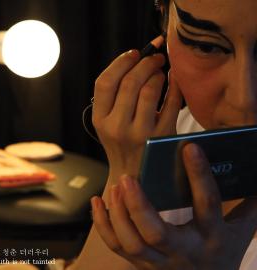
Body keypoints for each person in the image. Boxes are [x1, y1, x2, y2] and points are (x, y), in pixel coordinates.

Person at [70, 0, 257, 269]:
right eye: (206, 46)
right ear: (164, 29)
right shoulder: (177, 135)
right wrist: (130, 175)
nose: (244, 99)